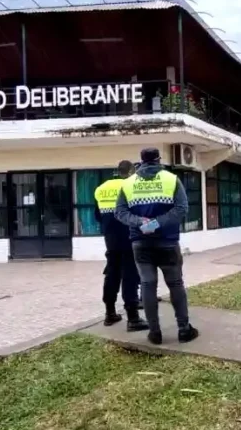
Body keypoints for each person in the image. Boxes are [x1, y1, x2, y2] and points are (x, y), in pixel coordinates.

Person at [115, 147, 199, 345]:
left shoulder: (128, 183)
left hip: (140, 243)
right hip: (167, 242)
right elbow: (182, 208)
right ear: (159, 160)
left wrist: (140, 222)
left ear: (141, 161)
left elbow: (120, 212)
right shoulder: (171, 179)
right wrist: (157, 223)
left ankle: (154, 333)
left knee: (147, 284)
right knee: (176, 284)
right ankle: (184, 329)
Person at [94, 161, 149, 332]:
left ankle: (110, 314)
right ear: (132, 172)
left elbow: (98, 216)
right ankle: (133, 318)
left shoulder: (101, 188)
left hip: (110, 239)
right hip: (129, 238)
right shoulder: (131, 186)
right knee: (130, 277)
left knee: (111, 275)